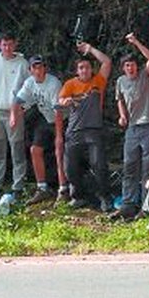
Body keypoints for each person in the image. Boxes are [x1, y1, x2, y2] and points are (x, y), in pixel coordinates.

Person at [58, 41, 114, 212]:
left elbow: (107, 62)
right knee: (70, 167)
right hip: (74, 131)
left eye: (87, 67)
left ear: (91, 69)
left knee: (99, 164)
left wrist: (90, 49)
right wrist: (65, 101)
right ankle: (78, 197)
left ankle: (104, 196)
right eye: (81, 68)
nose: (84, 70)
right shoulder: (69, 84)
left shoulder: (98, 81)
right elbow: (60, 102)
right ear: (77, 71)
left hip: (94, 130)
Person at [111, 33, 149, 220]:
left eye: (132, 64)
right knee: (129, 165)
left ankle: (147, 206)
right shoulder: (120, 82)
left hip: (148, 125)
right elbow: (119, 100)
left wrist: (136, 41)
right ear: (123, 68)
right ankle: (128, 204)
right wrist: (122, 116)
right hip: (132, 128)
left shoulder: (144, 76)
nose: (130, 68)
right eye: (127, 65)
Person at [11, 55, 67, 205]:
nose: (38, 70)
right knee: (35, 149)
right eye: (34, 67)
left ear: (45, 69)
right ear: (30, 70)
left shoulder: (53, 84)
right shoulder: (29, 83)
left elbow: (59, 111)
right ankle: (42, 188)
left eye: (40, 67)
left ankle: (64, 189)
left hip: (61, 119)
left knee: (59, 150)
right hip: (45, 118)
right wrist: (13, 116)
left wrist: (59, 135)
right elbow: (18, 100)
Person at [0, 32, 29, 201]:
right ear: (0, 45)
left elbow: (28, 88)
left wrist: (21, 108)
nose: (7, 48)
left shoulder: (22, 64)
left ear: (15, 44)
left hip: (14, 111)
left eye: (10, 44)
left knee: (17, 148)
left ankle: (18, 186)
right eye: (4, 45)